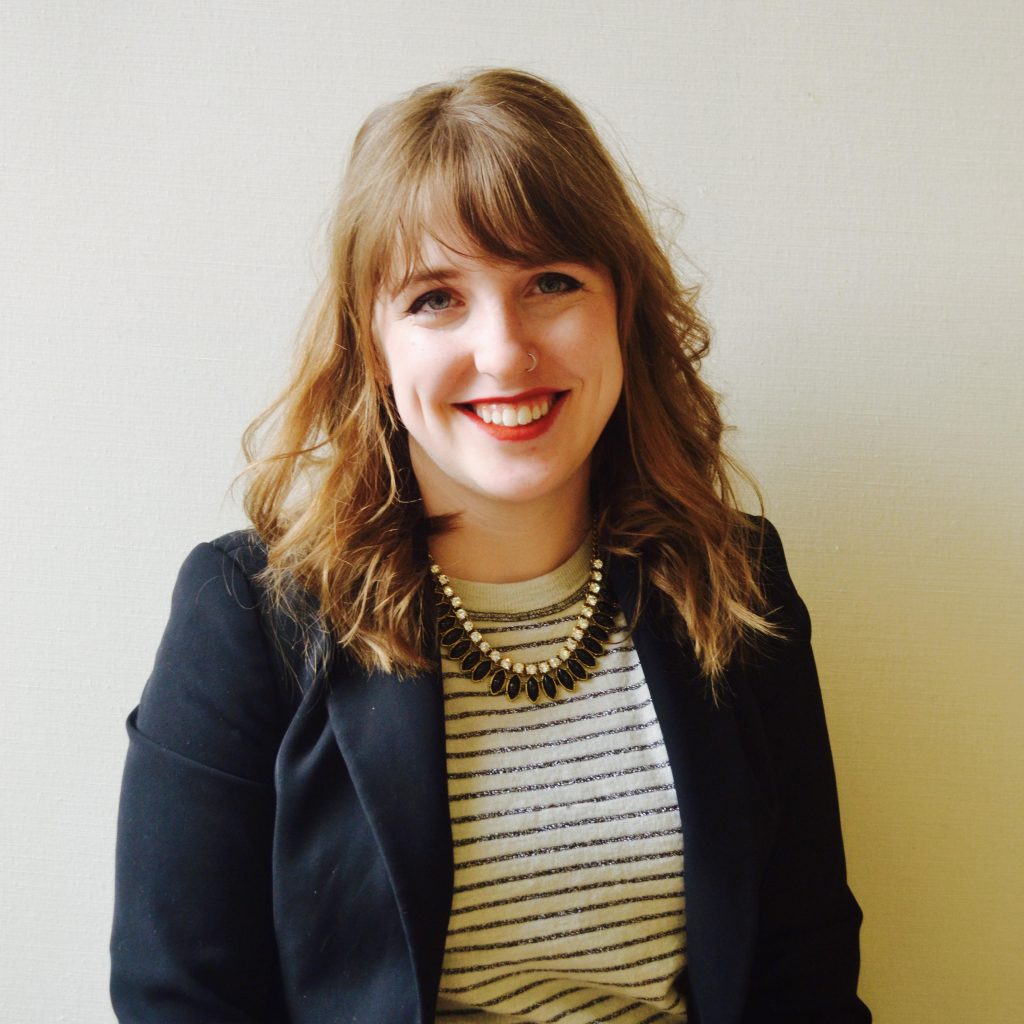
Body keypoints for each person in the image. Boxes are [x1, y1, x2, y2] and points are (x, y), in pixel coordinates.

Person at [110, 69, 870, 1023]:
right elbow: (179, 1000)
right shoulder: (248, 617)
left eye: (551, 282)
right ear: (373, 346)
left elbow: (804, 975)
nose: (506, 351)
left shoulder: (733, 581)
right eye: (435, 298)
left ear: (622, 311)